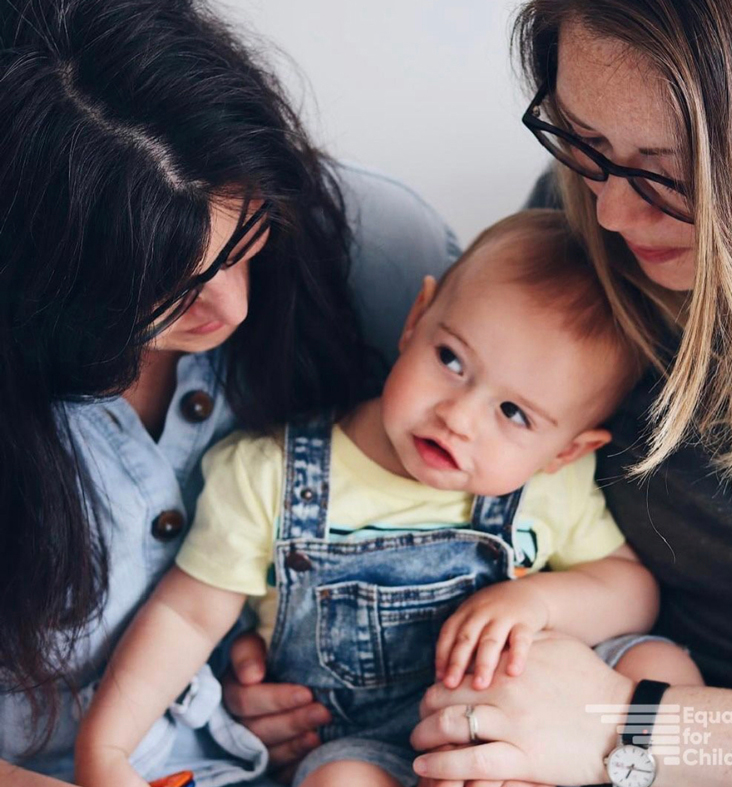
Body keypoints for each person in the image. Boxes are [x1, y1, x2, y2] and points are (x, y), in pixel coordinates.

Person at [73, 209, 704, 787]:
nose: (459, 417)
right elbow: (185, 618)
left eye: (513, 413)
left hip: (539, 710)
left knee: (657, 665)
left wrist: (536, 601)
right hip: (374, 745)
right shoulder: (268, 473)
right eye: (453, 360)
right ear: (415, 320)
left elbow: (631, 591)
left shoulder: (548, 485)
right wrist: (105, 749)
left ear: (566, 450)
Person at [0, 0, 458, 785]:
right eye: (166, 293)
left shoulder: (374, 253)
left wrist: (242, 673)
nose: (235, 310)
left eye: (246, 242)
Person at [410, 1, 732, 786]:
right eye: (586, 143)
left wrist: (626, 725)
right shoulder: (577, 216)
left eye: (670, 173)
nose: (614, 213)